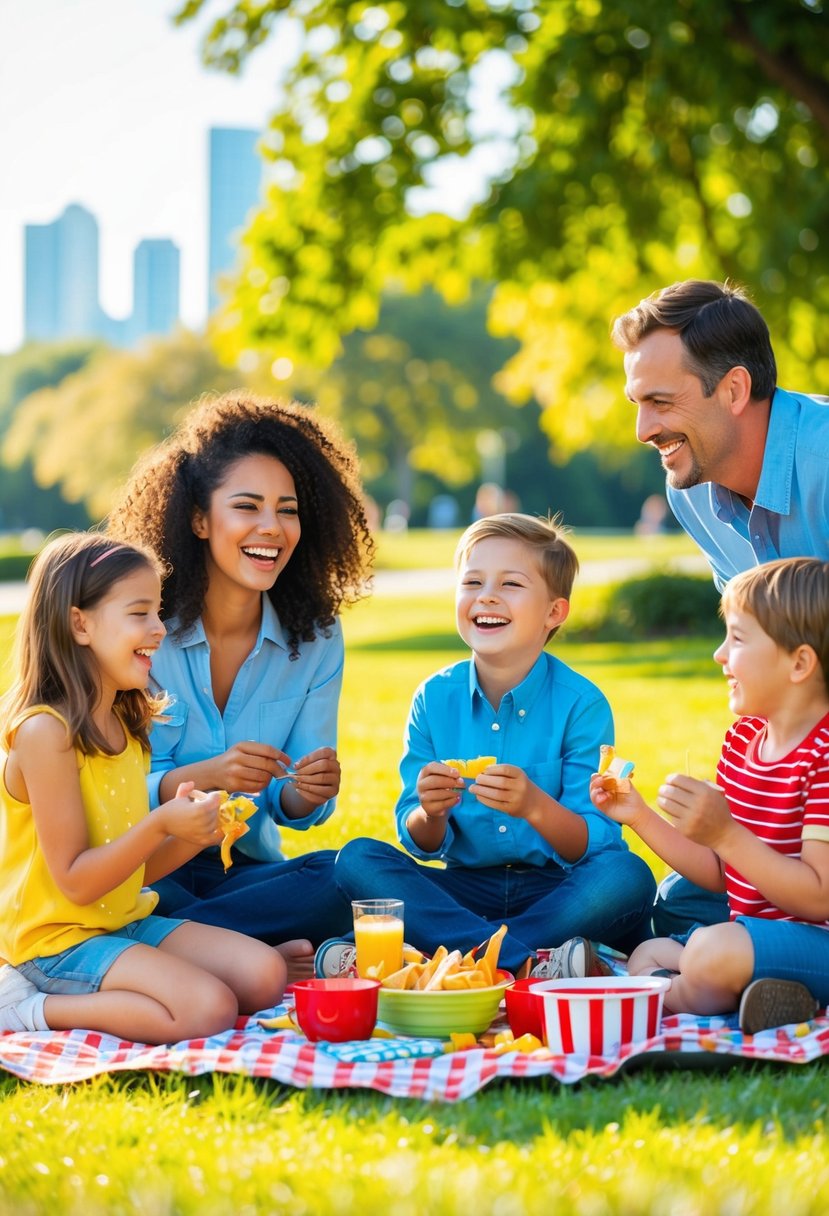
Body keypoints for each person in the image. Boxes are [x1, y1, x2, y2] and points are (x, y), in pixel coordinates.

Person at [107, 392, 374, 979]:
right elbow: (107, 793)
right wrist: (208, 775)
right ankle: (241, 951)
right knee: (128, 897)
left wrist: (309, 789)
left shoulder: (317, 638)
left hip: (246, 875)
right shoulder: (139, 631)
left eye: (288, 510)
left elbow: (295, 806)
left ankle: (188, 945)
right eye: (247, 506)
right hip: (144, 867)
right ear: (199, 518)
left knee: (349, 873)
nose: (271, 529)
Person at [330, 514, 656, 978]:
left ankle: (451, 952)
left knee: (627, 878)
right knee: (359, 859)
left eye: (510, 584)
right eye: (473, 582)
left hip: (556, 890)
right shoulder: (433, 699)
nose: (486, 595)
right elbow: (418, 840)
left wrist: (534, 806)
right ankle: (525, 961)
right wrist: (431, 812)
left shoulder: (582, 705)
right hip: (461, 889)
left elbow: (595, 844)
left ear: (554, 612)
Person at [0, 533, 285, 1040]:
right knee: (209, 1010)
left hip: (120, 923)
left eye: (158, 611)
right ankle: (28, 1008)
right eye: (140, 613)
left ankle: (134, 986)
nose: (159, 628)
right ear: (78, 624)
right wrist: (158, 824)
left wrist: (193, 835)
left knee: (266, 977)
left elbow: (132, 874)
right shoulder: (46, 734)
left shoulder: (127, 727)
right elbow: (75, 881)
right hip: (55, 944)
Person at [612, 278, 829, 935]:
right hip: (806, 791)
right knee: (677, 904)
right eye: (635, 403)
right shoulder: (691, 490)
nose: (643, 429)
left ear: (732, 390)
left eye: (659, 402)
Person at [590, 557, 829, 1034]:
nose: (720, 655)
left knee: (712, 951)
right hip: (748, 938)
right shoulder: (742, 742)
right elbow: (720, 873)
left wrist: (726, 832)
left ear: (799, 663)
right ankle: (759, 997)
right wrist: (638, 814)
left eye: (737, 639)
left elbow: (820, 898)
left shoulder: (823, 753)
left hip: (818, 941)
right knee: (650, 951)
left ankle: (673, 994)